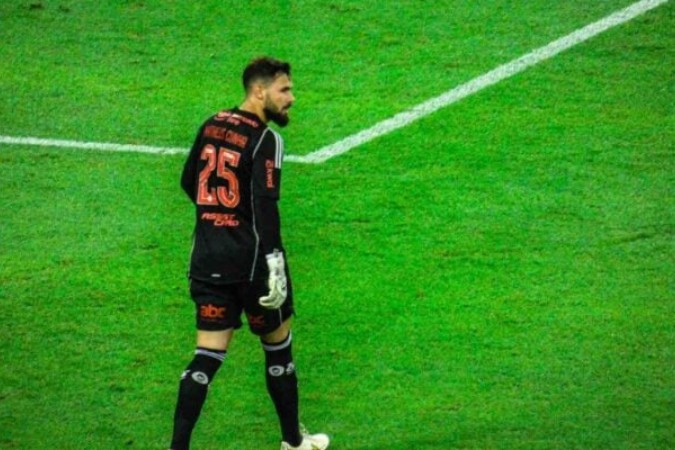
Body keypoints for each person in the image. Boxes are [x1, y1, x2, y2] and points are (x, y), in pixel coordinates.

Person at [170, 56, 330, 450]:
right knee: (278, 347)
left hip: (207, 260)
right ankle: (293, 443)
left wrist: (218, 216)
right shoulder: (267, 139)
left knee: (206, 356)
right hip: (254, 265)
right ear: (260, 91)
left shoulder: (211, 124)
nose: (291, 98)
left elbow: (189, 181)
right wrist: (274, 263)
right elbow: (264, 205)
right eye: (285, 89)